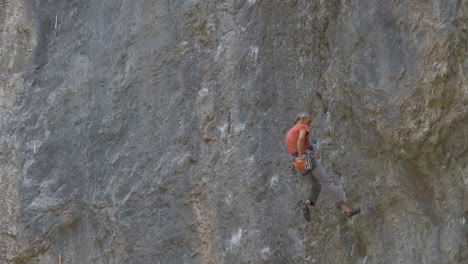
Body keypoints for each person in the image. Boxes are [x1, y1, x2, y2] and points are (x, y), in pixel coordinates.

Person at [286, 112, 360, 221]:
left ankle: (308, 203)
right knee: (327, 182)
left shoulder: (289, 133)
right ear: (302, 119)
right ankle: (346, 210)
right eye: (309, 121)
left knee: (315, 186)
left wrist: (299, 158)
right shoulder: (302, 126)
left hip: (298, 164)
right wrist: (302, 156)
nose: (310, 124)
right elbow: (301, 139)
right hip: (306, 158)